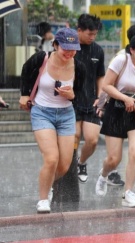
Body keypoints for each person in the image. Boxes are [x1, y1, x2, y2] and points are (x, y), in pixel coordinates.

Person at [19, 28, 85, 213]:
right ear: (55, 45)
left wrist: (72, 95)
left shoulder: (79, 67)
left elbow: (81, 95)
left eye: (74, 49)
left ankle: (46, 183)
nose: (70, 53)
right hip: (42, 112)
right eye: (66, 48)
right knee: (51, 159)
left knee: (64, 165)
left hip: (66, 115)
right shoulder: (41, 58)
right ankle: (43, 198)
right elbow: (25, 71)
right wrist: (24, 95)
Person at [95, 33, 135, 208]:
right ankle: (104, 175)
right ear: (132, 50)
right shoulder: (121, 61)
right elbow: (106, 85)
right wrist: (125, 99)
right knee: (114, 159)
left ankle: (128, 193)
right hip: (116, 111)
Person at [73, 14, 105, 184]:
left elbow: (101, 76)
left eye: (95, 34)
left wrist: (100, 98)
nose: (92, 37)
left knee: (92, 140)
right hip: (71, 101)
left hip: (91, 101)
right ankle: (68, 169)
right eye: (89, 34)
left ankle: (81, 162)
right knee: (75, 136)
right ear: (79, 30)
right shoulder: (69, 48)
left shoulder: (98, 50)